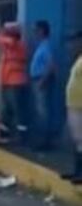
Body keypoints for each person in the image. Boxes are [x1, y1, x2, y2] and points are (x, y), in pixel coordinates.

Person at [0, 23, 29, 140]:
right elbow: (4, 43)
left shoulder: (18, 44)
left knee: (17, 110)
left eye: (7, 32)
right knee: (6, 109)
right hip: (7, 81)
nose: (5, 34)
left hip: (15, 82)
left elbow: (8, 42)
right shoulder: (8, 46)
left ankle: (22, 137)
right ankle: (5, 133)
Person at [30, 20, 57, 149]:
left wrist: (42, 81)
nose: (34, 33)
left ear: (42, 31)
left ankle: (44, 142)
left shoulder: (45, 46)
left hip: (41, 80)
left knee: (42, 112)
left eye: (36, 30)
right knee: (40, 111)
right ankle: (42, 140)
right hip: (39, 80)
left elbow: (51, 66)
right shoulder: (42, 46)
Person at [62, 37, 82, 182]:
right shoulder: (79, 59)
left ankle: (80, 173)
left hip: (79, 105)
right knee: (76, 140)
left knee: (80, 139)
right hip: (74, 104)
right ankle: (77, 171)